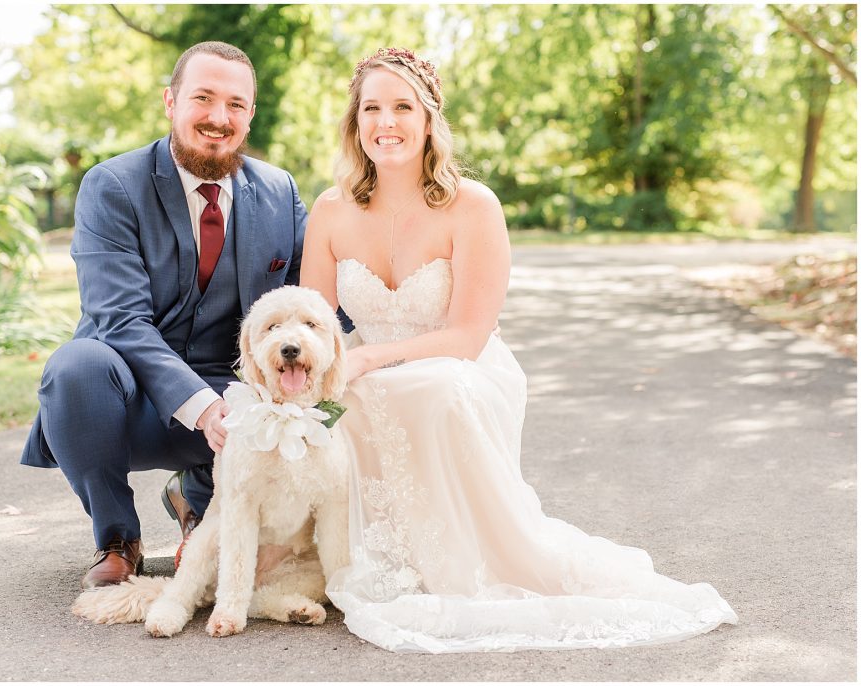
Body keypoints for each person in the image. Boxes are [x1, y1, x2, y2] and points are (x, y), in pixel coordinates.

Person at [300, 47, 738, 653]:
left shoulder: (473, 206)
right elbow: (311, 325)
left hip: (460, 370)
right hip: (364, 368)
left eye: (403, 106)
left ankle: (451, 565)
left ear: (430, 120)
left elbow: (466, 338)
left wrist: (368, 359)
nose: (386, 122)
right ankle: (344, 554)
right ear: (355, 122)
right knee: (332, 404)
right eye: (371, 108)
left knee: (432, 389)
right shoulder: (329, 209)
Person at [20, 41, 307, 590]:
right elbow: (119, 320)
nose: (218, 118)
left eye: (235, 104)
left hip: (237, 399)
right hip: (127, 403)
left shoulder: (280, 191)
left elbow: (315, 299)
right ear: (170, 102)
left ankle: (197, 504)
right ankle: (118, 536)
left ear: (250, 115)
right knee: (76, 365)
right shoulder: (113, 186)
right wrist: (203, 408)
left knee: (277, 389)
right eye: (203, 98)